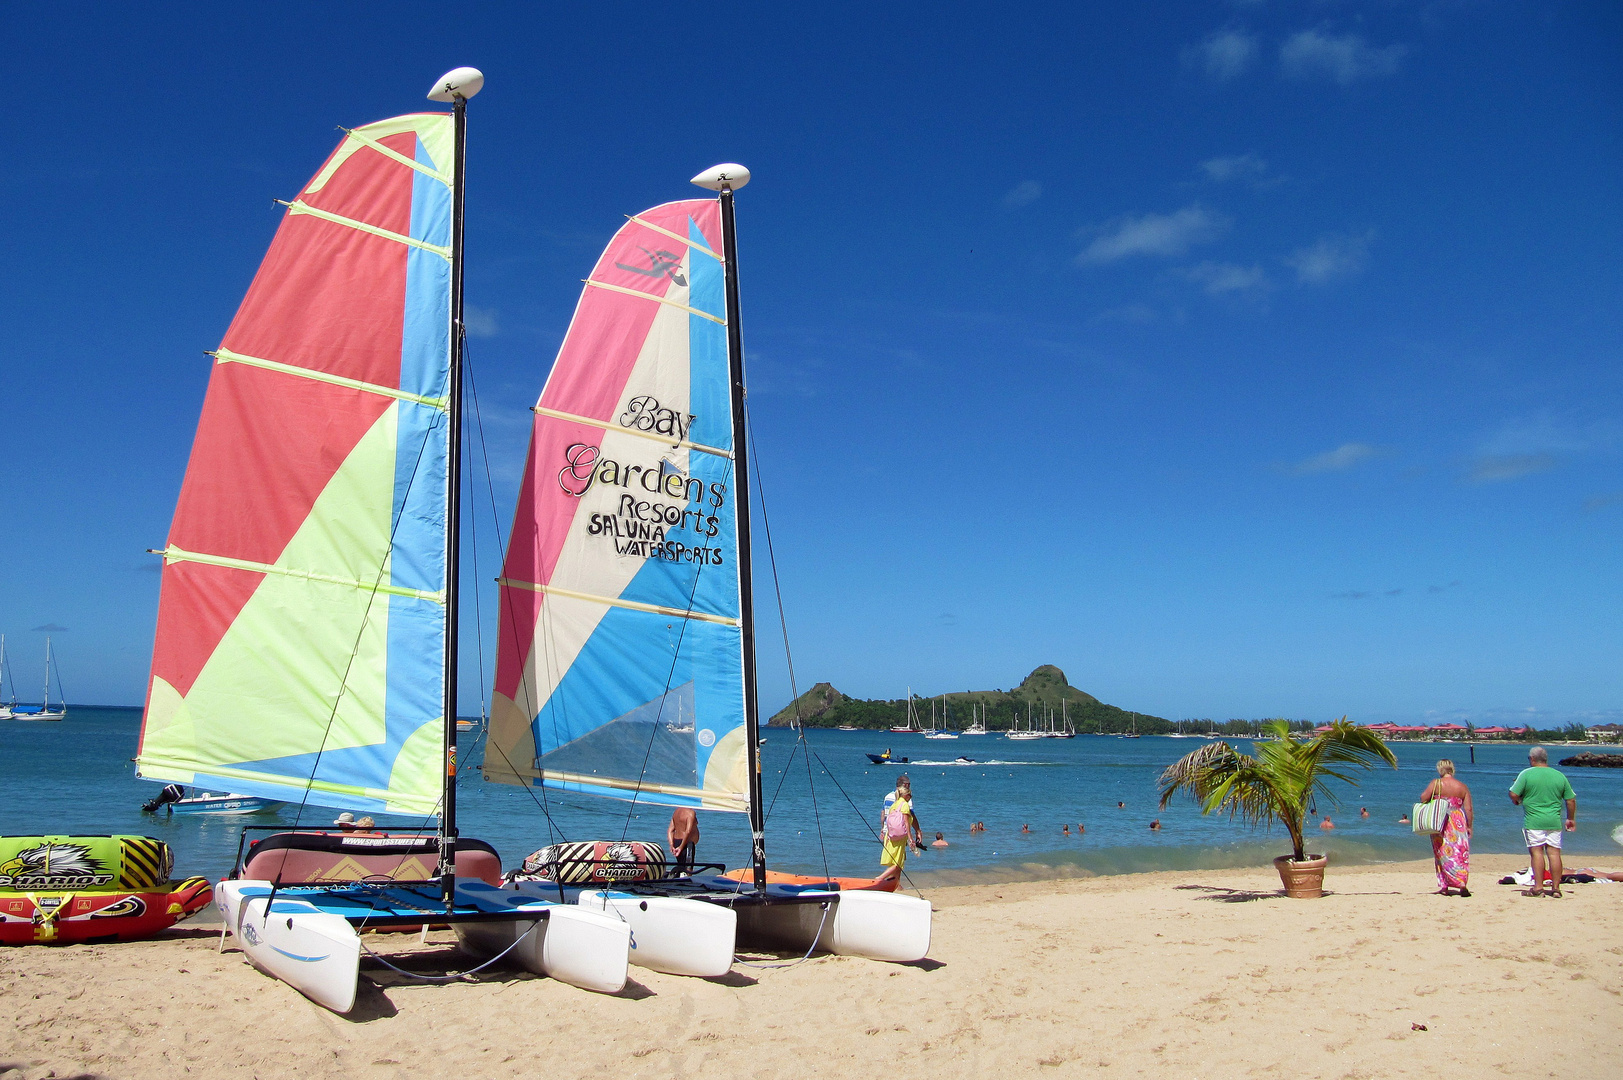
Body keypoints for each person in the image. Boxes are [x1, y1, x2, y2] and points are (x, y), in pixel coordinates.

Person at [1509, 747, 1577, 898]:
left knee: (1537, 852)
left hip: (1534, 820)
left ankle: (1538, 887)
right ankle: (1556, 888)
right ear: (1546, 759)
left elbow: (1513, 793)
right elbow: (1570, 799)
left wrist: (1518, 800)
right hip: (1553, 820)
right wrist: (1571, 818)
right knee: (1554, 853)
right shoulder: (1559, 775)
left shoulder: (1526, 774)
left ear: (1532, 759)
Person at [1419, 759, 1473, 896]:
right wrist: (1469, 826)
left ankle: (1445, 886)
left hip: (1441, 820)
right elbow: (1469, 809)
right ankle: (1461, 883)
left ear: (1440, 770)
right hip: (1458, 820)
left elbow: (1423, 797)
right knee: (1460, 852)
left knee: (1442, 852)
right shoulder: (1462, 786)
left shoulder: (1436, 783)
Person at [877, 774, 922, 886]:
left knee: (893, 859)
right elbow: (908, 819)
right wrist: (917, 832)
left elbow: (883, 814)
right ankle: (888, 881)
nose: (911, 794)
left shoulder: (888, 797)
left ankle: (894, 884)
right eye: (909, 789)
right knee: (898, 861)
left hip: (889, 832)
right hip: (900, 833)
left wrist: (882, 829)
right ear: (905, 786)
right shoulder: (905, 803)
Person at [668, 807, 700, 874]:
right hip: (687, 843)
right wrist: (681, 847)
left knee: (681, 867)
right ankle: (686, 882)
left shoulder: (677, 811)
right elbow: (688, 831)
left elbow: (670, 830)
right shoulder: (690, 812)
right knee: (688, 869)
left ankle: (679, 881)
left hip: (676, 841)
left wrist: (671, 844)